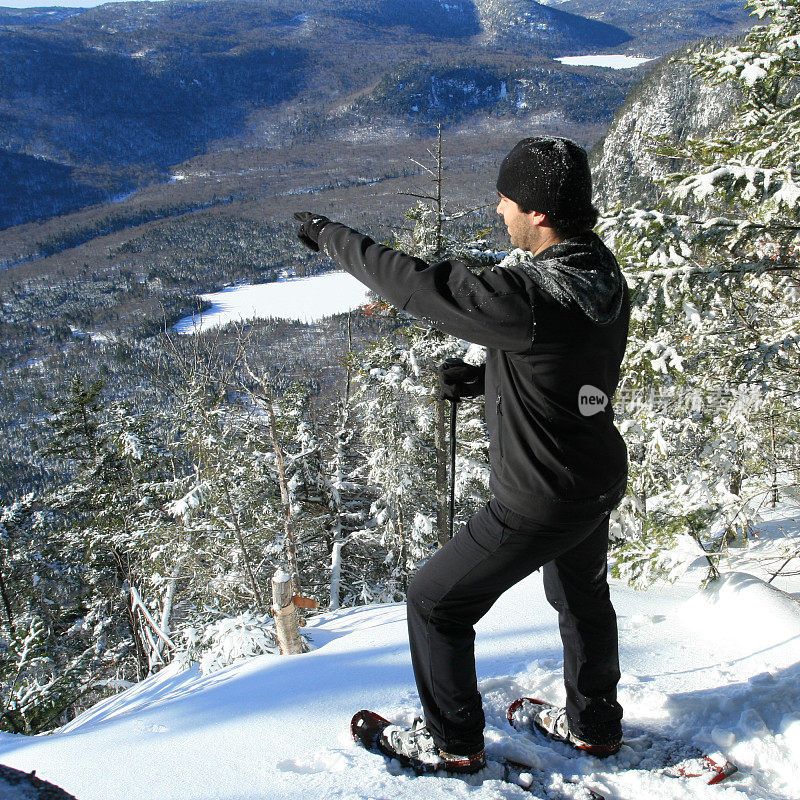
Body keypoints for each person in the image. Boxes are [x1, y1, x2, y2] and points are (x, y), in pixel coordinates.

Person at [294, 136, 629, 774]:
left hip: (539, 495)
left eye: (507, 200)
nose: (499, 210)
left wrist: (332, 237)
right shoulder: (596, 271)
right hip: (593, 475)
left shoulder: (527, 296)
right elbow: (566, 355)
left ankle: (452, 743)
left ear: (538, 212)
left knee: (434, 600)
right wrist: (488, 379)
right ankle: (595, 727)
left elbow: (420, 288)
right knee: (582, 597)